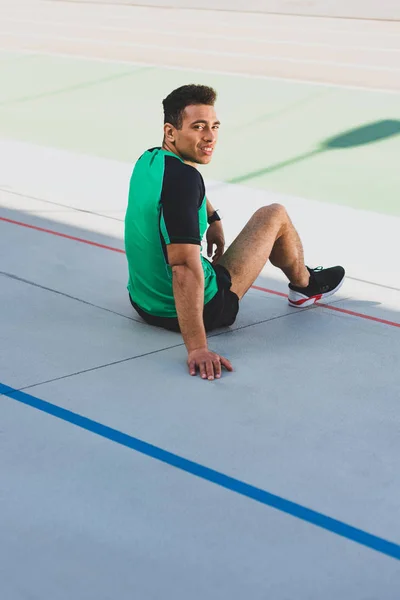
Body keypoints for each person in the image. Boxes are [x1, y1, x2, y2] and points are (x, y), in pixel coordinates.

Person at [124, 84, 345, 381]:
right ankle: (306, 286)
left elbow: (179, 197)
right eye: (198, 127)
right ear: (171, 132)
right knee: (274, 215)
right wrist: (198, 349)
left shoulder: (149, 160)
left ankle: (303, 281)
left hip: (143, 303)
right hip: (198, 309)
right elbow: (183, 268)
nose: (210, 136)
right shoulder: (185, 181)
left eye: (214, 126)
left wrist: (212, 217)